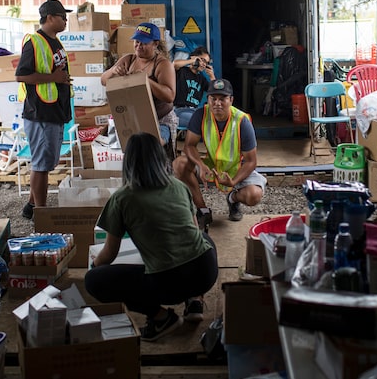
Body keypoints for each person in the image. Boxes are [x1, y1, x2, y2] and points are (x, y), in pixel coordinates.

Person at [84, 132, 218, 342]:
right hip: (206, 272)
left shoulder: (122, 198)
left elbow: (109, 254)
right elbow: (193, 230)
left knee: (93, 281)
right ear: (160, 159)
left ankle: (162, 318)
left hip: (169, 285)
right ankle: (194, 300)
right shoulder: (179, 186)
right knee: (203, 239)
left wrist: (94, 265)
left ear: (127, 162)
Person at [173, 78, 266, 228]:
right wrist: (201, 165)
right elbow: (189, 146)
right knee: (179, 165)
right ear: (207, 99)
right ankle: (203, 210)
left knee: (254, 195)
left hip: (236, 168)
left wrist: (234, 182)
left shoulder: (242, 121)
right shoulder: (200, 115)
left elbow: (251, 161)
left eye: (222, 99)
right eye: (213, 98)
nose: (217, 103)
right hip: (211, 166)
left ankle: (232, 199)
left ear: (231, 100)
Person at [14, 0, 73, 220]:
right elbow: (21, 75)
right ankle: (41, 212)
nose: (65, 20)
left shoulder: (55, 42)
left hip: (54, 111)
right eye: (62, 17)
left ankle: (31, 205)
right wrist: (54, 78)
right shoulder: (35, 41)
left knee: (47, 161)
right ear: (49, 17)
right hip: (40, 112)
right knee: (40, 164)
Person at [101, 22, 177, 147]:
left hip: (161, 120)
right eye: (136, 41)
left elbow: (170, 96)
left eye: (144, 43)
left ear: (155, 44)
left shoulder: (162, 65)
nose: (139, 46)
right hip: (133, 118)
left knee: (152, 147)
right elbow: (103, 81)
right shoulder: (128, 60)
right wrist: (112, 71)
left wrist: (146, 80)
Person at [173, 46, 215, 129]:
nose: (204, 64)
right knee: (202, 123)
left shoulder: (202, 79)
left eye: (206, 62)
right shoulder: (182, 71)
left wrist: (212, 76)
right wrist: (191, 60)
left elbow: (215, 92)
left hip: (195, 111)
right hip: (179, 111)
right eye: (202, 60)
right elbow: (174, 64)